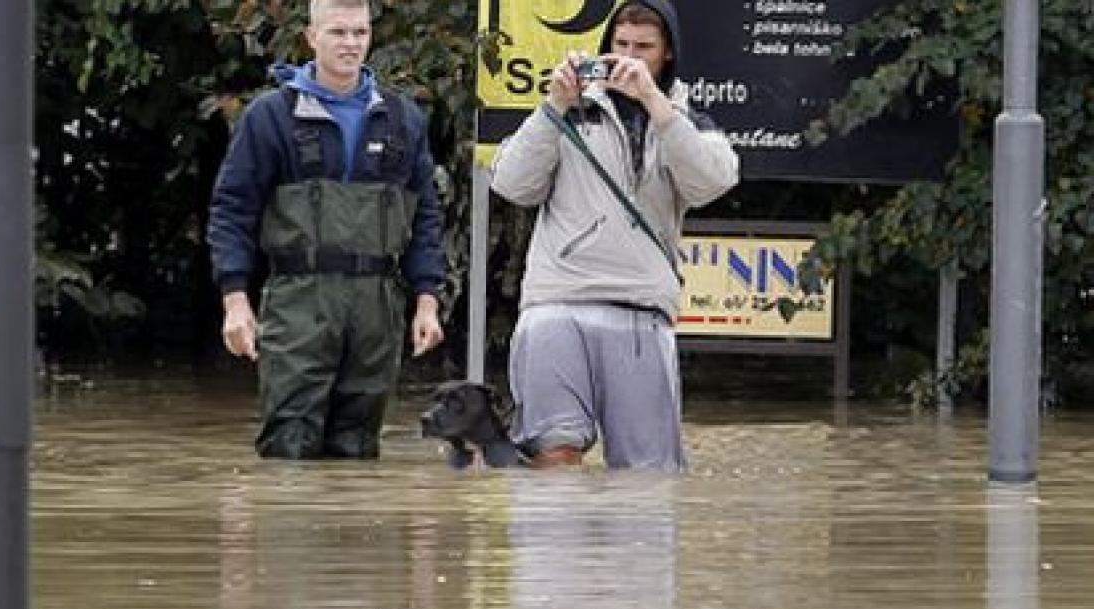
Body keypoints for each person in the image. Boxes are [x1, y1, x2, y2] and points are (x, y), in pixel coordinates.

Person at [490, 0, 739, 471]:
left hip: (641, 310)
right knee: (553, 453)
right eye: (620, 45)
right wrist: (554, 105)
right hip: (556, 303)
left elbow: (713, 182)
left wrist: (656, 105)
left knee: (647, 476)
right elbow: (512, 184)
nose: (629, 57)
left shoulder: (686, 121)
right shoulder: (566, 112)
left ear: (667, 55)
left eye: (644, 48)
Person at [207, 0, 445, 460]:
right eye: (338, 33)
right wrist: (235, 300)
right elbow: (232, 210)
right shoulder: (271, 116)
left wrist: (428, 300)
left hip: (378, 304)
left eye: (360, 33)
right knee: (289, 444)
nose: (351, 44)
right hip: (300, 299)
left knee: (359, 449)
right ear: (311, 37)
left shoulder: (403, 120)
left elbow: (425, 218)